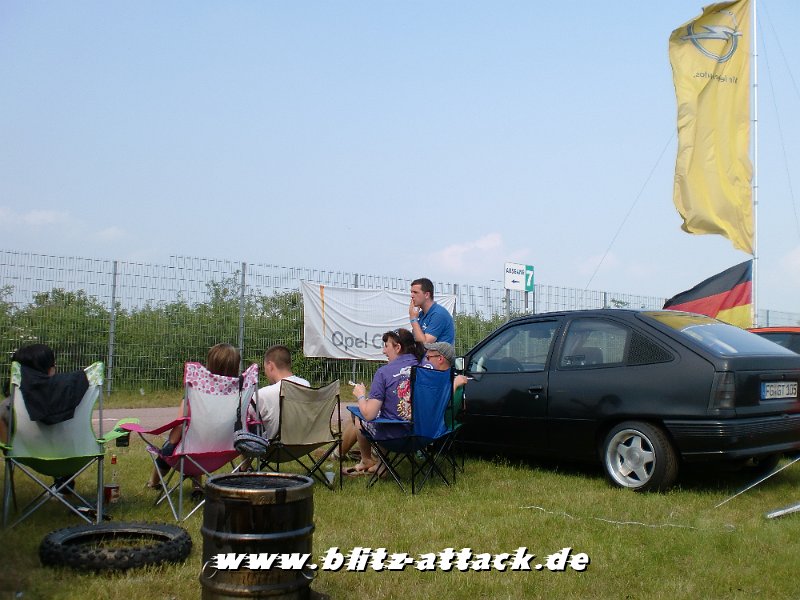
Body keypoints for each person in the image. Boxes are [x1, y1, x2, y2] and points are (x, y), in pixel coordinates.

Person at [147, 342, 240, 489]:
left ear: (210, 364)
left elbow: (180, 424)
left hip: (192, 452)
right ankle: (197, 488)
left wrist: (171, 442)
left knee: (173, 446)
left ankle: (153, 483)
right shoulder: (240, 393)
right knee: (196, 440)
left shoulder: (196, 392)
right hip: (225, 450)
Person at [340, 328, 428, 477]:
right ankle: (381, 466)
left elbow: (369, 414)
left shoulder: (384, 373)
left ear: (398, 347)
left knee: (361, 417)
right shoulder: (427, 367)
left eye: (386, 346)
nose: (383, 351)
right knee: (388, 413)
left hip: (396, 437)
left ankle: (366, 460)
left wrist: (361, 396)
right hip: (425, 435)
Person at [0, 343, 58, 443]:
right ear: (51, 370)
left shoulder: (7, 407)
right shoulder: (74, 402)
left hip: (20, 453)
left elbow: (6, 445)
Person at [251, 344, 310, 440]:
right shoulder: (305, 384)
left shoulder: (262, 395)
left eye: (265, 368)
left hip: (276, 445)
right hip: (303, 441)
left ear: (270, 366)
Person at [423, 341, 469, 428]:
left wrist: (454, 385)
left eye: (428, 358)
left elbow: (437, 408)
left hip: (438, 429)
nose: (425, 361)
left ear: (440, 359)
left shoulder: (451, 383)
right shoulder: (456, 382)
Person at [408, 277, 455, 345]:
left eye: (415, 292)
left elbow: (425, 343)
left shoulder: (438, 314)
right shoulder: (421, 314)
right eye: (411, 292)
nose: (412, 296)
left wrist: (413, 319)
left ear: (427, 295)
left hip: (438, 352)